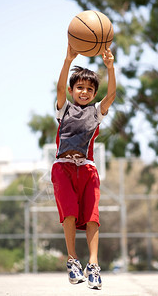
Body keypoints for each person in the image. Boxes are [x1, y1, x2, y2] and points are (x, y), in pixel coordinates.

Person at [51, 43, 116, 290]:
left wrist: (110, 67)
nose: (85, 92)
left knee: (92, 218)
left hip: (87, 169)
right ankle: (72, 260)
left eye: (90, 89)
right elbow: (59, 88)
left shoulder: (96, 112)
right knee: (68, 212)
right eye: (80, 87)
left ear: (94, 93)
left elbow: (111, 95)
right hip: (63, 167)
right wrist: (67, 60)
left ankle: (93, 266)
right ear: (72, 90)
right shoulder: (64, 109)